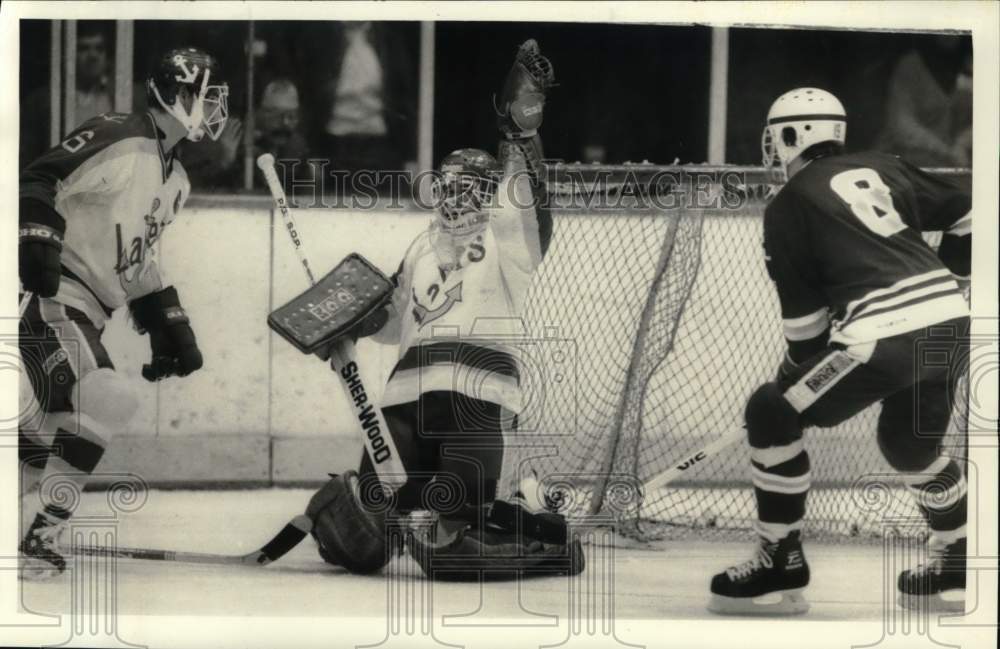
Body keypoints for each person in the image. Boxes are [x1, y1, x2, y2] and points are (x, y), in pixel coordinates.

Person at [303, 40, 580, 579]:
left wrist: (521, 138)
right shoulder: (420, 248)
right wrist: (348, 328)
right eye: (448, 188)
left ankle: (525, 536)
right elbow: (395, 317)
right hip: (408, 395)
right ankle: (478, 520)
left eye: (470, 189)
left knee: (458, 527)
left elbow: (525, 208)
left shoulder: (507, 247)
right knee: (367, 521)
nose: (455, 199)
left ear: (489, 194)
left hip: (477, 388)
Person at [708, 88, 970, 615]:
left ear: (788, 137)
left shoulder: (788, 204)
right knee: (907, 445)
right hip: (950, 323)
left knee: (770, 410)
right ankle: (957, 560)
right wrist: (958, 277)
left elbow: (805, 337)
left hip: (884, 336)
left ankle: (778, 561)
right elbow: (969, 211)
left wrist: (787, 387)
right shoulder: (882, 166)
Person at [17, 47, 230, 579]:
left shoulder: (175, 179)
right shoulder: (120, 136)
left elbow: (139, 262)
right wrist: (38, 238)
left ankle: (23, 506)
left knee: (53, 432)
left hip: (88, 314)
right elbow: (39, 178)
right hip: (53, 301)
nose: (213, 109)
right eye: (206, 97)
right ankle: (44, 530)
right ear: (179, 96)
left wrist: (167, 322)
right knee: (108, 395)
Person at [877, 36, 973, 167]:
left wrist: (963, 142)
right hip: (903, 158)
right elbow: (902, 125)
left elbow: (982, 119)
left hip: (949, 163)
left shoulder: (969, 65)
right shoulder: (910, 65)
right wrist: (945, 151)